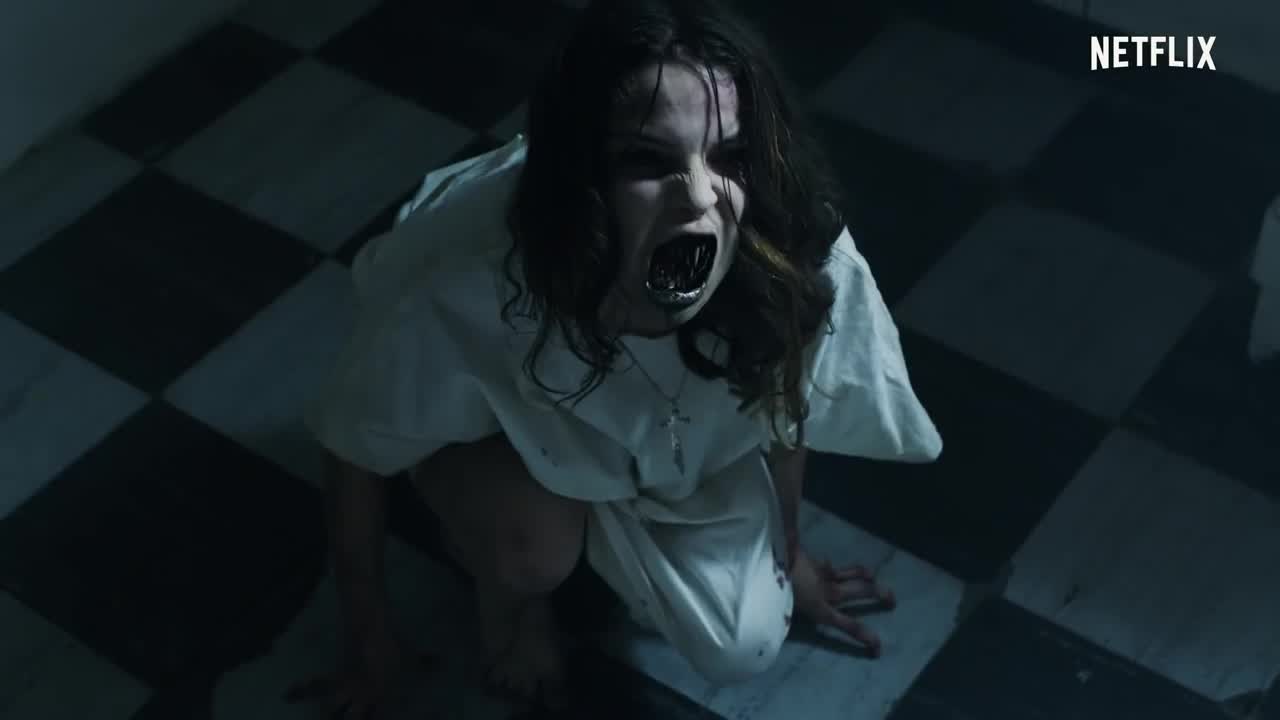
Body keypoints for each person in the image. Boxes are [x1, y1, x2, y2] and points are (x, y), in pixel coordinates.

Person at [287, 0, 943, 715]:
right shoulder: (473, 282)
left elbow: (790, 404)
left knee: (744, 643)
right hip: (518, 435)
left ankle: (604, 503)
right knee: (531, 546)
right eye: (648, 160)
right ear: (586, 176)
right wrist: (371, 642)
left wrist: (790, 554)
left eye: (729, 156)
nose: (700, 197)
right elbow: (353, 446)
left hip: (663, 443)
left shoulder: (798, 252)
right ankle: (514, 598)